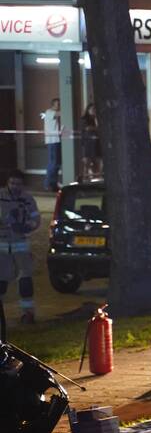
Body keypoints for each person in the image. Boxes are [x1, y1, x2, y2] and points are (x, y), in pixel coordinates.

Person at [0, 170, 41, 324]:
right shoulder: (1, 196)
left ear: (22, 185)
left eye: (18, 183)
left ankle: (28, 313)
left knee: (25, 279)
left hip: (21, 243)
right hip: (1, 244)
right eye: (12, 183)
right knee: (1, 280)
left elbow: (36, 219)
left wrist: (26, 227)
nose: (15, 186)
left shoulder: (28, 199)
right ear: (7, 183)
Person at [40, 98, 62, 191]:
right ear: (53, 104)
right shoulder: (49, 112)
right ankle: (47, 183)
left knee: (56, 164)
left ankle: (53, 184)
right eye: (58, 104)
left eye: (59, 104)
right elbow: (60, 114)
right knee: (52, 163)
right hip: (52, 141)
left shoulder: (52, 113)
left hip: (56, 140)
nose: (59, 106)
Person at [80, 104, 101, 179]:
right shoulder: (84, 119)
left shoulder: (96, 118)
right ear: (88, 110)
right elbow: (88, 128)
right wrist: (97, 128)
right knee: (87, 163)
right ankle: (85, 179)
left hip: (96, 143)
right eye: (92, 109)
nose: (93, 111)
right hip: (88, 143)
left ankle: (96, 179)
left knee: (97, 162)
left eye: (95, 109)